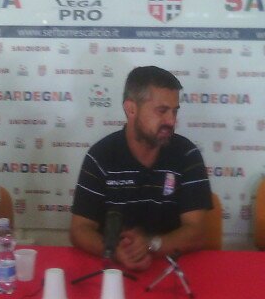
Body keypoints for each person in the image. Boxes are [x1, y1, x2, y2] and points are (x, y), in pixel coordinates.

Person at [69, 65, 212, 271]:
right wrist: (113, 251)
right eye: (162, 111)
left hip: (170, 273)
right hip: (115, 276)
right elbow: (80, 230)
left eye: (174, 111)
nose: (171, 121)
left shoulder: (187, 154)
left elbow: (198, 233)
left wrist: (150, 244)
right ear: (131, 109)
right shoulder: (100, 156)